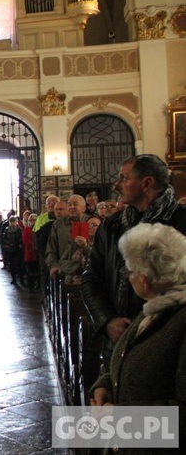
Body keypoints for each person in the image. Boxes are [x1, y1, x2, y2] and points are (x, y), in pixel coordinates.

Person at [80, 154, 186, 368]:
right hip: (119, 339)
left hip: (172, 341)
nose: (117, 185)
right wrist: (107, 320)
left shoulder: (181, 222)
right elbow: (91, 277)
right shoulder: (111, 226)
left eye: (123, 178)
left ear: (147, 183)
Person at [89, 222, 186, 447]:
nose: (128, 277)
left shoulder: (179, 320)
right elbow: (129, 359)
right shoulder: (154, 308)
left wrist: (120, 418)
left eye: (130, 271)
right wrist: (104, 385)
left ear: (144, 278)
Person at [47, 195, 88, 281]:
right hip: (65, 271)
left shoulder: (90, 221)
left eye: (75, 204)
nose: (72, 207)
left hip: (87, 270)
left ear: (84, 208)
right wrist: (53, 265)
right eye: (69, 204)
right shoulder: (58, 224)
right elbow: (51, 247)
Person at [58, 216, 102, 285]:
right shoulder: (74, 244)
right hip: (71, 284)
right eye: (88, 225)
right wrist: (80, 266)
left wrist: (85, 247)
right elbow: (62, 264)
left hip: (92, 283)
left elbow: (95, 265)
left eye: (94, 225)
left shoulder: (102, 245)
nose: (90, 227)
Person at [1, 216, 24, 286]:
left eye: (14, 221)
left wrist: (17, 244)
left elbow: (21, 239)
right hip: (10, 250)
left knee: (19, 265)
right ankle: (13, 279)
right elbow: (4, 238)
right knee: (12, 265)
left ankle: (21, 279)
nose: (12, 223)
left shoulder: (19, 230)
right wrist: (8, 244)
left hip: (17, 249)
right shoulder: (6, 230)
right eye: (11, 222)